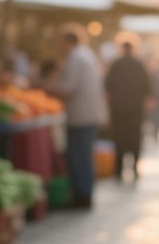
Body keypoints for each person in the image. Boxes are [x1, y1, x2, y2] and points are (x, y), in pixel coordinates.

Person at [49, 24, 103, 209]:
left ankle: (81, 195)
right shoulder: (86, 54)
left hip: (80, 116)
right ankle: (84, 193)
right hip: (88, 114)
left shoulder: (76, 57)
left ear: (66, 41)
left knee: (77, 156)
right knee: (84, 156)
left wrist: (46, 86)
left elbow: (68, 89)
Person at [104, 35, 151, 182]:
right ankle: (133, 169)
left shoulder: (116, 64)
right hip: (133, 109)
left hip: (120, 108)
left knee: (121, 139)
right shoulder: (138, 64)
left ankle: (120, 171)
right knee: (133, 139)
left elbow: (107, 85)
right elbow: (147, 87)